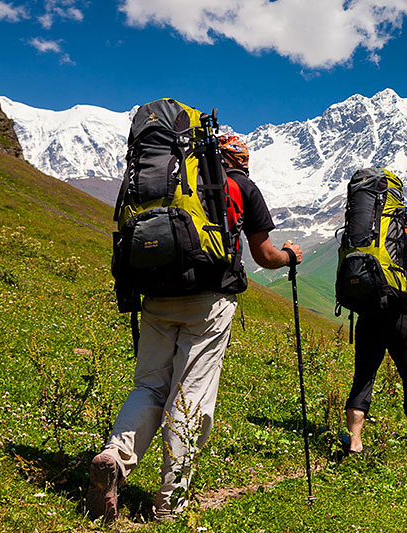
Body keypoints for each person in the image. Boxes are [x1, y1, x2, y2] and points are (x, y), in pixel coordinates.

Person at [88, 135, 302, 521]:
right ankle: (170, 502)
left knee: (148, 387)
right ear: (242, 160)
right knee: (190, 396)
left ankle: (114, 458)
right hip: (208, 301)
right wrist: (289, 256)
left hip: (156, 296)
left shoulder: (170, 181)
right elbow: (264, 255)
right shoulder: (239, 185)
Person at [344, 221, 407, 460]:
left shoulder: (363, 235)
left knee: (363, 378)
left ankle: (355, 445)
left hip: (367, 314)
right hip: (400, 315)